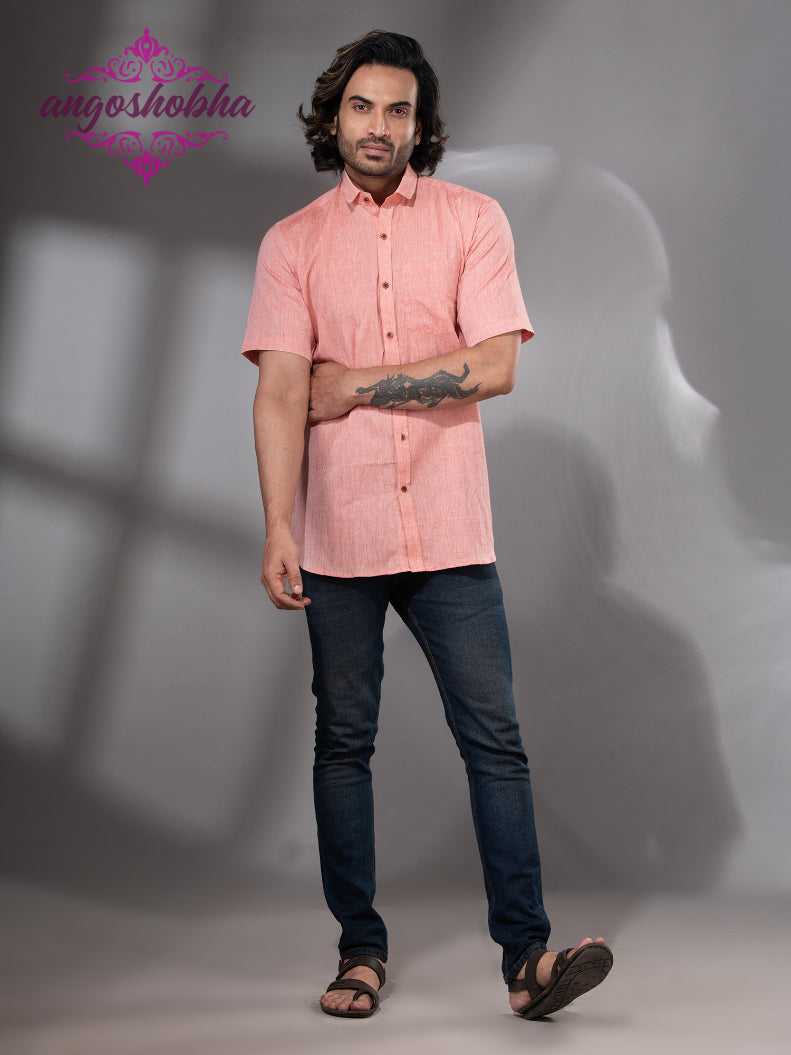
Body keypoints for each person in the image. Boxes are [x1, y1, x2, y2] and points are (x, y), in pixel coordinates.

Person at [242, 29, 613, 1020]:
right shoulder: (291, 243)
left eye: (398, 109)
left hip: (449, 532)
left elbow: (494, 365)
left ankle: (527, 961)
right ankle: (358, 952)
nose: (379, 126)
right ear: (334, 117)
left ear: (420, 125)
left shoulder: (472, 221)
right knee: (342, 743)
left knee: (494, 740)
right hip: (339, 533)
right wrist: (278, 525)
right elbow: (279, 393)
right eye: (362, 106)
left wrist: (354, 385)